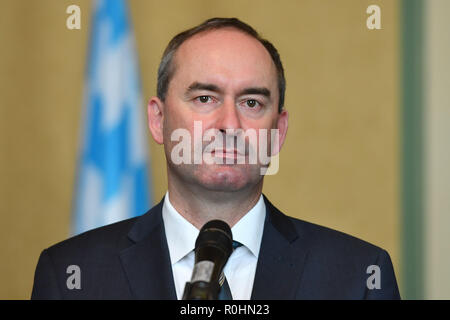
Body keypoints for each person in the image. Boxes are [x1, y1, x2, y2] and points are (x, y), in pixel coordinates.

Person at [31, 17, 400, 300]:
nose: (229, 124)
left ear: (278, 132)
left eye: (251, 102)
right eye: (205, 98)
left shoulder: (358, 276)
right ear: (158, 121)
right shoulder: (71, 275)